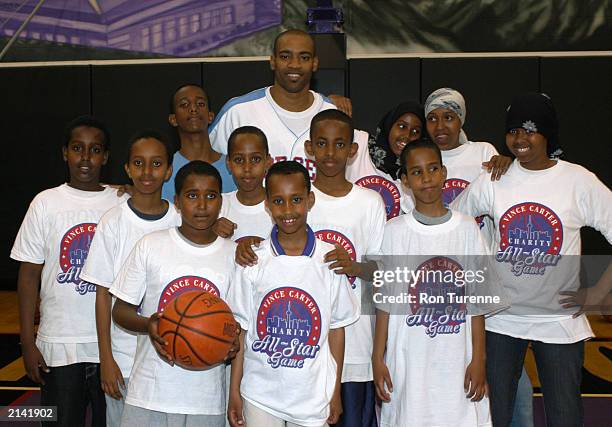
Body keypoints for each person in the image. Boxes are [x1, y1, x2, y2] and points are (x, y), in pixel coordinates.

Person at [452, 93, 612, 426]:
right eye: (513, 131)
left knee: (564, 416)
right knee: (492, 414)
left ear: (547, 134)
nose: (519, 139)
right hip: (501, 319)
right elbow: (453, 222)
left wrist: (597, 295)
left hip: (558, 321)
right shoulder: (496, 179)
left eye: (529, 130)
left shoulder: (577, 180)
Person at [374, 139, 499, 427]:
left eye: (432, 169)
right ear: (405, 180)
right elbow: (385, 300)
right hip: (408, 358)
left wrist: (479, 359)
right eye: (416, 172)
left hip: (456, 358)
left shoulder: (468, 229)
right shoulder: (394, 232)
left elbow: (477, 302)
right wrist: (377, 357)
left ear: (444, 172)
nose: (426, 178)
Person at [11, 116, 125, 426]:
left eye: (95, 149)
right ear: (65, 152)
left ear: (106, 156)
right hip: (58, 346)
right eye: (78, 148)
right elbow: (28, 275)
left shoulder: (123, 202)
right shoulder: (45, 203)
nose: (86, 158)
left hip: (113, 348)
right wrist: (27, 341)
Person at [226, 161, 360, 427]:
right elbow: (241, 330)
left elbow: (336, 330)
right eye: (278, 201)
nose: (288, 210)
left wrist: (335, 392)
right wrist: (234, 392)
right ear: (267, 204)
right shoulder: (254, 261)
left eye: (296, 199)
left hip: (312, 396)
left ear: (310, 200)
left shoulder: (329, 259)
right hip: (259, 394)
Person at [110, 161, 239, 426]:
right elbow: (120, 311)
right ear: (177, 201)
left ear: (220, 202)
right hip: (150, 391)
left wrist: (232, 343)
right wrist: (150, 324)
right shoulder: (151, 245)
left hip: (206, 399)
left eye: (211, 196)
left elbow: (238, 325)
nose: (202, 205)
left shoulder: (234, 255)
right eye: (192, 196)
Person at [80, 130, 181, 426]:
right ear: (127, 168)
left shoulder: (180, 220)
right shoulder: (113, 222)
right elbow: (102, 295)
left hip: (170, 354)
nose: (147, 172)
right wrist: (106, 360)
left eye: (156, 163)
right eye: (138, 163)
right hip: (123, 358)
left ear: (168, 170)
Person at [305, 110, 386, 427]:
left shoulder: (369, 202)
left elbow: (382, 270)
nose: (330, 153)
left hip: (357, 342)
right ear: (309, 148)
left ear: (353, 150)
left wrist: (355, 267)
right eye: (322, 144)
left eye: (339, 144)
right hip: (305, 342)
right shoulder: (298, 199)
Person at [210, 29, 349, 181]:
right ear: (272, 61)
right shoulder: (237, 112)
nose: (294, 64)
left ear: (314, 63)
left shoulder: (331, 112)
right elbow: (207, 170)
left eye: (304, 57)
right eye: (285, 56)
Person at [346, 101, 425, 219]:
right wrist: (329, 101)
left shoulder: (416, 170)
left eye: (415, 131)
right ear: (389, 125)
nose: (407, 135)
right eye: (402, 126)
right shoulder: (359, 143)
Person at [162, 83, 236, 200]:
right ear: (173, 119)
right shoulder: (164, 171)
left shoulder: (234, 167)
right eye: (184, 104)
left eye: (200, 104)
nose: (193, 109)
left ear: (211, 116)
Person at [214, 126, 274, 242]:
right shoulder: (218, 206)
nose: (247, 168)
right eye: (239, 160)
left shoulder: (283, 206)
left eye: (255, 159)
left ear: (267, 162)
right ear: (228, 163)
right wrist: (210, 233)